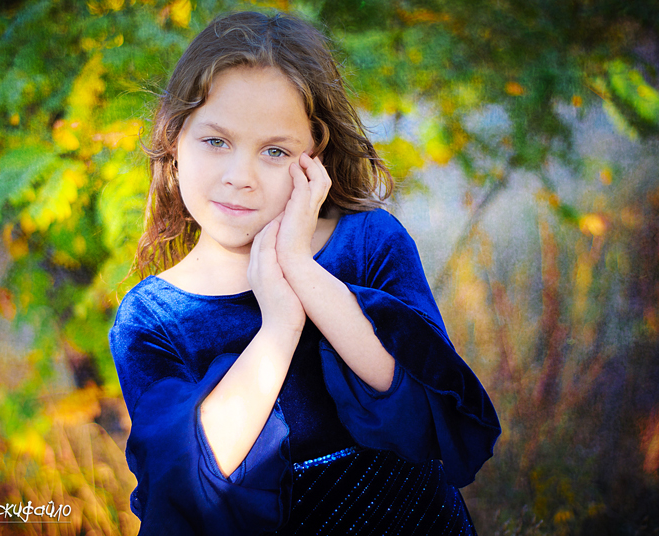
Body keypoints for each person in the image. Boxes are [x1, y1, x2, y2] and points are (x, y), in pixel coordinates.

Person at [109, 11, 501, 536]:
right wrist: (279, 326)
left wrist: (299, 269)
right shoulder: (152, 318)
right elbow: (190, 488)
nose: (240, 177)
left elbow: (425, 412)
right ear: (174, 141)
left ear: (313, 158)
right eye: (216, 141)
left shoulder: (369, 242)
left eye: (274, 151)